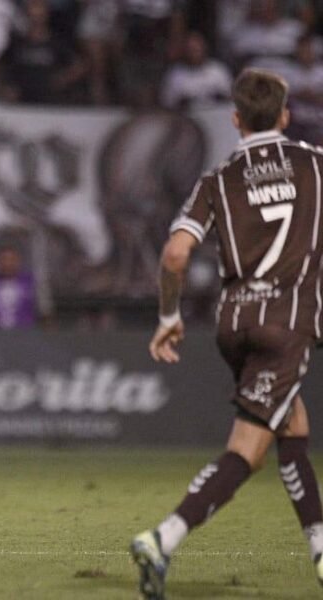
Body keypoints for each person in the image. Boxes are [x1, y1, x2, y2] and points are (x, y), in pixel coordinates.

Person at [130, 68, 323, 599]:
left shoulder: (217, 179)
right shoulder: (314, 164)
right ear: (285, 115)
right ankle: (162, 538)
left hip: (234, 323)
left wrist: (168, 317)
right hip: (287, 321)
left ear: (237, 120)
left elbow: (175, 254)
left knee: (291, 425)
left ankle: (320, 548)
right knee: (247, 449)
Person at [0, 244, 36, 329]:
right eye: (4, 259)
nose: (7, 264)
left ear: (18, 261)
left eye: (12, 260)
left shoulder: (31, 283)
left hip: (24, 332)